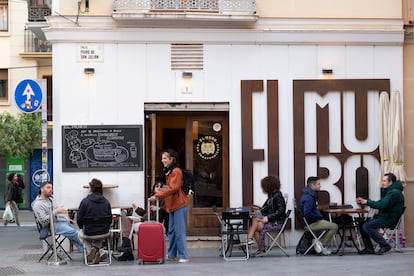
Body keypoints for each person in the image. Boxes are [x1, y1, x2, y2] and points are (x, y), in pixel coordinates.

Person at [150, 149, 189, 263]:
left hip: (179, 204)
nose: (163, 160)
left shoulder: (176, 171)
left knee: (179, 231)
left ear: (172, 159)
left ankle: (183, 255)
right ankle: (172, 254)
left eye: (165, 158)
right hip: (172, 205)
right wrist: (161, 191)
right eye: (162, 158)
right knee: (171, 231)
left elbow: (173, 188)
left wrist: (157, 195)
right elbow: (170, 188)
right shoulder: (170, 171)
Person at [115, 182, 168, 261]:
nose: (159, 188)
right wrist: (137, 209)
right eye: (157, 186)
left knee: (132, 225)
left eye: (161, 186)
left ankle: (127, 249)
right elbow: (146, 214)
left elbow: (166, 212)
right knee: (127, 219)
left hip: (155, 223)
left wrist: (159, 208)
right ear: (153, 188)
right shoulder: (151, 199)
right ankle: (127, 248)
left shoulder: (164, 199)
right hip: (146, 220)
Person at [356, 172, 405, 255]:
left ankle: (384, 245)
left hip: (388, 219)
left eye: (384, 181)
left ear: (390, 182)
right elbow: (381, 203)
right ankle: (369, 248)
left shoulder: (394, 193)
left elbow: (382, 205)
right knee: (362, 224)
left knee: (367, 226)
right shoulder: (390, 191)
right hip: (384, 217)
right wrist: (367, 201)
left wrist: (367, 202)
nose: (382, 183)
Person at [31, 182, 84, 253]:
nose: (51, 190)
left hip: (60, 221)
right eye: (48, 187)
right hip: (50, 225)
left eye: (51, 188)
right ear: (42, 189)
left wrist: (67, 218)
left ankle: (88, 254)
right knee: (74, 233)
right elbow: (43, 221)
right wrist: (56, 211)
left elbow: (58, 210)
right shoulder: (37, 204)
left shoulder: (51, 198)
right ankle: (92, 250)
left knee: (77, 233)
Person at [246, 175, 286, 256]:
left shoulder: (278, 196)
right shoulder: (271, 196)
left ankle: (249, 239)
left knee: (255, 220)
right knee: (254, 226)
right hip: (272, 220)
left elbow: (281, 211)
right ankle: (261, 249)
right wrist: (257, 211)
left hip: (277, 222)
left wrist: (268, 217)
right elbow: (265, 208)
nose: (263, 189)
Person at [299, 176, 338, 256]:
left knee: (330, 225)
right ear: (312, 185)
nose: (320, 186)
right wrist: (318, 218)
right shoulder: (309, 198)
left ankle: (319, 243)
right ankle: (321, 244)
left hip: (310, 222)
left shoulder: (309, 195)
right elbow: (307, 213)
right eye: (318, 184)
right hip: (312, 223)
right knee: (334, 226)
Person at [77, 178, 112, 264]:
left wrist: (82, 227)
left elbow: (79, 219)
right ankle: (97, 251)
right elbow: (110, 220)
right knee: (100, 232)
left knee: (80, 234)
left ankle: (93, 251)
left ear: (91, 189)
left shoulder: (85, 202)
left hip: (89, 232)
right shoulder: (106, 202)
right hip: (104, 232)